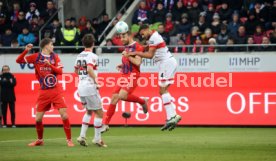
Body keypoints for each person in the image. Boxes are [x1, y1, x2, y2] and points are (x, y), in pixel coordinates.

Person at [15, 38, 74, 147]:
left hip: (56, 90)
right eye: (52, 45)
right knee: (38, 119)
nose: (53, 47)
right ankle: (40, 140)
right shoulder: (36, 56)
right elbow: (18, 61)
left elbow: (60, 72)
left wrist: (50, 65)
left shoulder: (55, 57)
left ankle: (69, 140)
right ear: (46, 46)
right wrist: (26, 50)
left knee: (64, 115)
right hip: (44, 92)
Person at [126, 24, 182, 131]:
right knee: (163, 91)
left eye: (142, 34)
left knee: (162, 90)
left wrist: (134, 52)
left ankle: (172, 116)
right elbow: (146, 48)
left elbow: (150, 55)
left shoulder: (154, 37)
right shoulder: (153, 38)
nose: (142, 36)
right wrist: (137, 50)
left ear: (146, 29)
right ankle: (173, 115)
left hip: (166, 64)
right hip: (166, 63)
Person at [102, 22, 148, 132]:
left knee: (122, 95)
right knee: (114, 97)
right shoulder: (126, 47)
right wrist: (123, 64)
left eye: (123, 36)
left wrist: (127, 56)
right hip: (124, 75)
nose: (121, 39)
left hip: (133, 76)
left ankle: (142, 101)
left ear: (129, 35)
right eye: (120, 36)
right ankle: (105, 123)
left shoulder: (138, 47)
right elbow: (129, 60)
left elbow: (137, 62)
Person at [75, 34, 107, 147]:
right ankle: (97, 139)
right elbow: (89, 69)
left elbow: (75, 70)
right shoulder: (92, 56)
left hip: (81, 87)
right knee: (99, 113)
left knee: (89, 111)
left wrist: (82, 78)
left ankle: (82, 136)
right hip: (89, 87)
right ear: (93, 43)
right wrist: (96, 81)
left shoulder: (79, 55)